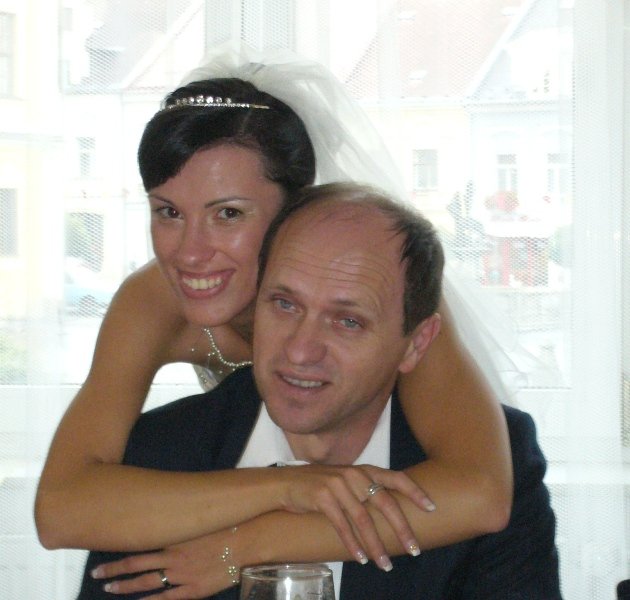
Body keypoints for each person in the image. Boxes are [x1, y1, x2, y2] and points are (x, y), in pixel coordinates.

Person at [35, 51, 512, 572]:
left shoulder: (383, 293)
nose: (189, 253)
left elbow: (481, 493)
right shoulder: (153, 304)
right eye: (168, 212)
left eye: (228, 213)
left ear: (296, 209)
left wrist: (242, 548)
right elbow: (61, 508)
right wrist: (286, 485)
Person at [78, 183, 561, 599]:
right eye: (284, 304)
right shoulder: (157, 456)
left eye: (347, 321)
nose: (300, 350)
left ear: (415, 344)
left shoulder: (499, 465)